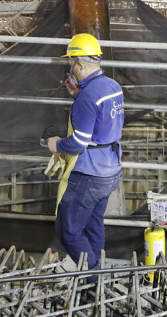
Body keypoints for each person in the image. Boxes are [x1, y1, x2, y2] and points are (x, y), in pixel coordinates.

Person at [45, 33, 124, 274]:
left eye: (72, 67)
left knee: (67, 231)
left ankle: (90, 275)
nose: (72, 72)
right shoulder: (112, 87)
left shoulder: (88, 96)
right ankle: (97, 272)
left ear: (80, 65)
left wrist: (56, 145)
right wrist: (77, 93)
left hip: (89, 174)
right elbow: (101, 122)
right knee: (92, 225)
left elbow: (79, 142)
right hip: (110, 170)